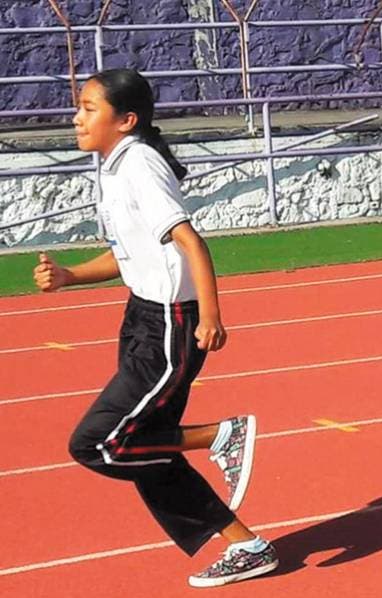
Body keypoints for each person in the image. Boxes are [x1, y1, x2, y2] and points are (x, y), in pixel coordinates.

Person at [33, 69, 277, 588]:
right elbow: (129, 253)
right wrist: (71, 276)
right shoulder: (115, 166)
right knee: (142, 449)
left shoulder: (140, 165)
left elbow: (191, 242)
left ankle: (220, 434)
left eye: (88, 108)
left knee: (96, 444)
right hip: (142, 317)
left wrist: (211, 316)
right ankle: (247, 546)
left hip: (171, 325)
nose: (76, 118)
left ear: (125, 120)